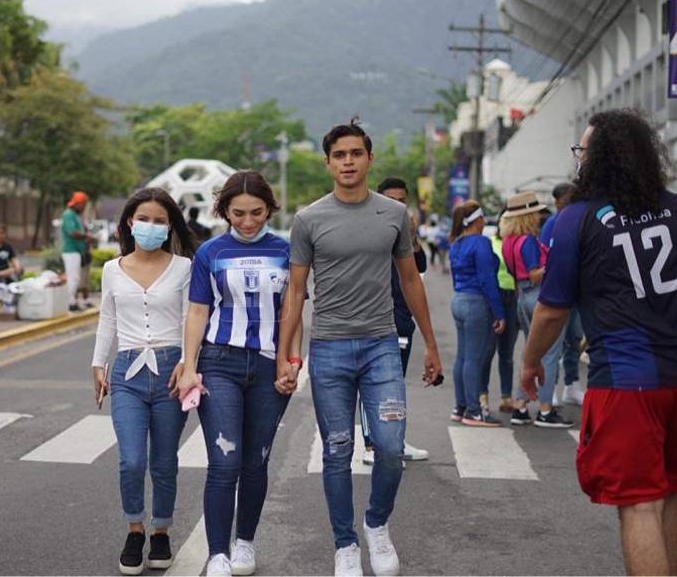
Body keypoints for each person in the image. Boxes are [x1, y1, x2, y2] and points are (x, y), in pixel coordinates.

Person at [521, 109, 677, 575]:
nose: (578, 159)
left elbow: (552, 309)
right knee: (674, 490)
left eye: (582, 151)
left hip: (627, 380)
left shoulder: (575, 219)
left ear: (598, 159)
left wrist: (530, 360)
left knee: (640, 504)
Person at [276, 120, 443, 577]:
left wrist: (430, 344)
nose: (348, 161)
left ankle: (376, 524)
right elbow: (295, 291)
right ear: (328, 162)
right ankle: (345, 544)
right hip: (329, 348)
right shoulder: (309, 219)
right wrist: (286, 356)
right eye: (339, 155)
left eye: (355, 153)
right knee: (337, 448)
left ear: (369, 159)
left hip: (381, 346)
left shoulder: (393, 215)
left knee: (389, 447)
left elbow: (410, 280)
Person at [175, 171, 300, 577]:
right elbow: (198, 311)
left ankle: (244, 542)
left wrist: (290, 362)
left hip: (268, 366)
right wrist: (190, 367)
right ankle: (217, 554)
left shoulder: (287, 251)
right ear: (224, 211)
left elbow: (292, 312)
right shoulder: (210, 252)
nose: (248, 222)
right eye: (238, 213)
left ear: (270, 209)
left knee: (256, 461)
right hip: (219, 363)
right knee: (224, 463)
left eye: (257, 213)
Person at [91, 188, 197, 576]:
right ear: (129, 223)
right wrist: (98, 364)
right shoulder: (112, 269)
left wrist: (187, 363)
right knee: (131, 459)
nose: (150, 226)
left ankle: (161, 532)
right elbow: (108, 319)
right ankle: (135, 529)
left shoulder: (185, 268)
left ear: (170, 226)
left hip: (171, 371)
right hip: (128, 372)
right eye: (143, 219)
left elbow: (192, 319)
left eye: (159, 220)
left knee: (164, 461)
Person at [361, 177, 429, 464]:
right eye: (390, 199)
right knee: (373, 385)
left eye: (401, 200)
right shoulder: (368, 229)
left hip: (402, 319)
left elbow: (419, 268)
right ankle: (372, 445)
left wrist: (411, 237)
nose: (396, 205)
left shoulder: (405, 232)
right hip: (373, 319)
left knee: (395, 384)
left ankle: (394, 439)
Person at [499, 192, 573, 429]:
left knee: (530, 352)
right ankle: (544, 409)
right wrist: (556, 262)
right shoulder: (528, 240)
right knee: (549, 352)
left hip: (521, 297)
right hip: (537, 295)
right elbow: (534, 274)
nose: (540, 217)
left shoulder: (509, 240)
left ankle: (521, 405)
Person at [448, 200, 506, 426]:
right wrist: (499, 312)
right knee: (473, 359)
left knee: (462, 357)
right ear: (478, 220)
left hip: (459, 300)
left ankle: (460, 406)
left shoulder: (456, 243)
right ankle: (474, 411)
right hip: (475, 303)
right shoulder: (481, 243)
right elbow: (487, 280)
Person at [541, 182, 585, 406]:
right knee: (554, 343)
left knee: (574, 340)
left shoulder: (579, 220)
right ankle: (552, 387)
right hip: (559, 291)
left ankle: (572, 384)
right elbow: (546, 257)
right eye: (566, 198)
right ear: (556, 200)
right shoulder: (552, 224)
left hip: (578, 292)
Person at [482, 208, 520, 414]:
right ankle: (482, 397)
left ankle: (506, 397)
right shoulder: (490, 242)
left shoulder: (516, 244)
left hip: (512, 297)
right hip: (493, 298)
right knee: (487, 351)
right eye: (505, 219)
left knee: (507, 352)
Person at [62, 191, 95, 311]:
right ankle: (70, 302)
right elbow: (72, 232)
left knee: (76, 277)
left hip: (78, 251)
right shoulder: (68, 214)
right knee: (73, 277)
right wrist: (88, 237)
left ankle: (73, 301)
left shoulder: (76, 215)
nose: (84, 207)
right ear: (78, 204)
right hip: (71, 250)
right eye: (83, 204)